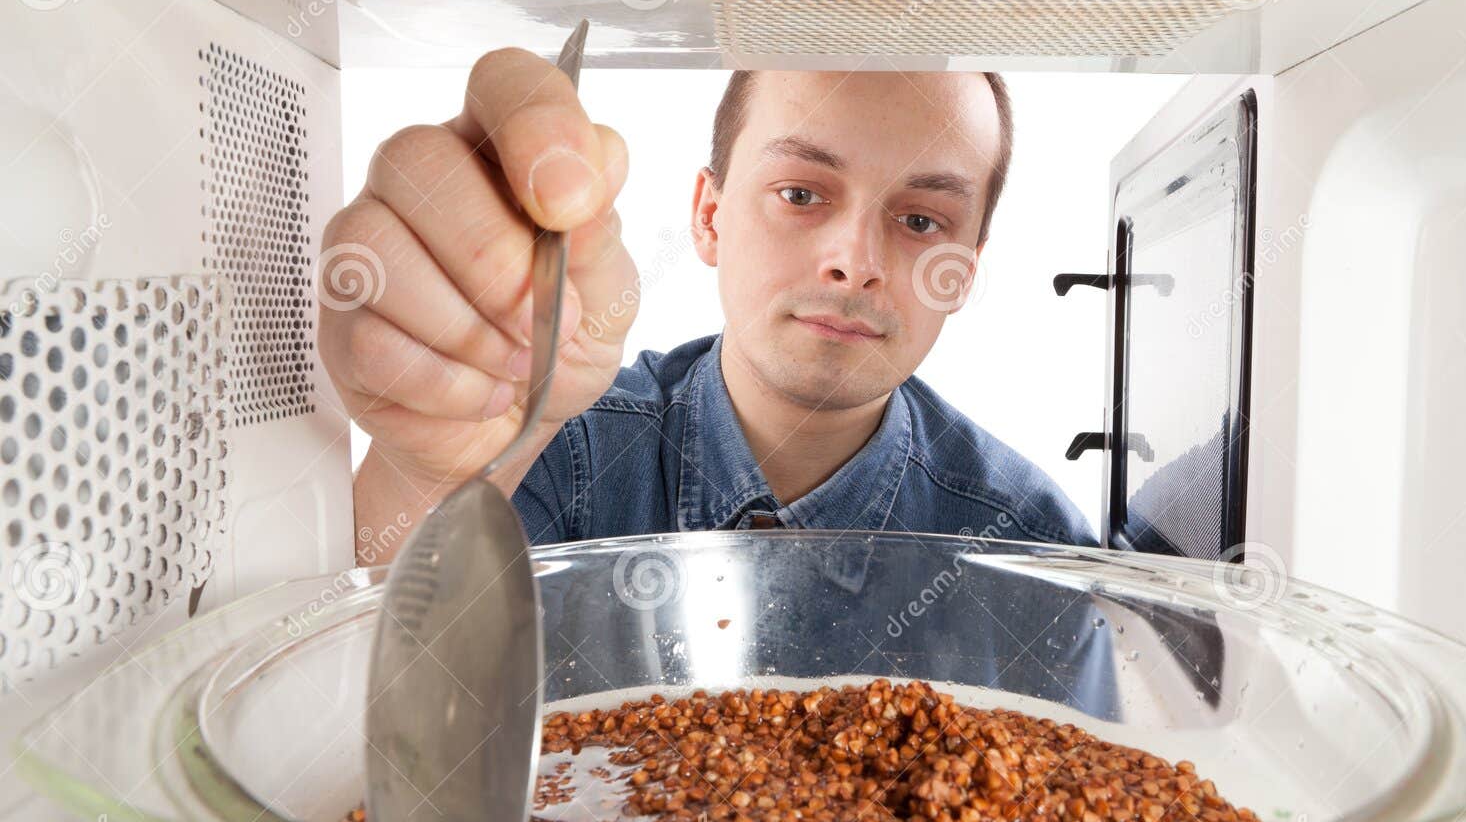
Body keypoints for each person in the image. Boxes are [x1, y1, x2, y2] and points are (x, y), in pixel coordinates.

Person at [319, 52, 1099, 563]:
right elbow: (379, 718)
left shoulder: (1036, 550)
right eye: (800, 194)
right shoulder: (555, 452)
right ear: (708, 215)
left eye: (921, 221)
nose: (855, 263)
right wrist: (423, 477)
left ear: (962, 273)